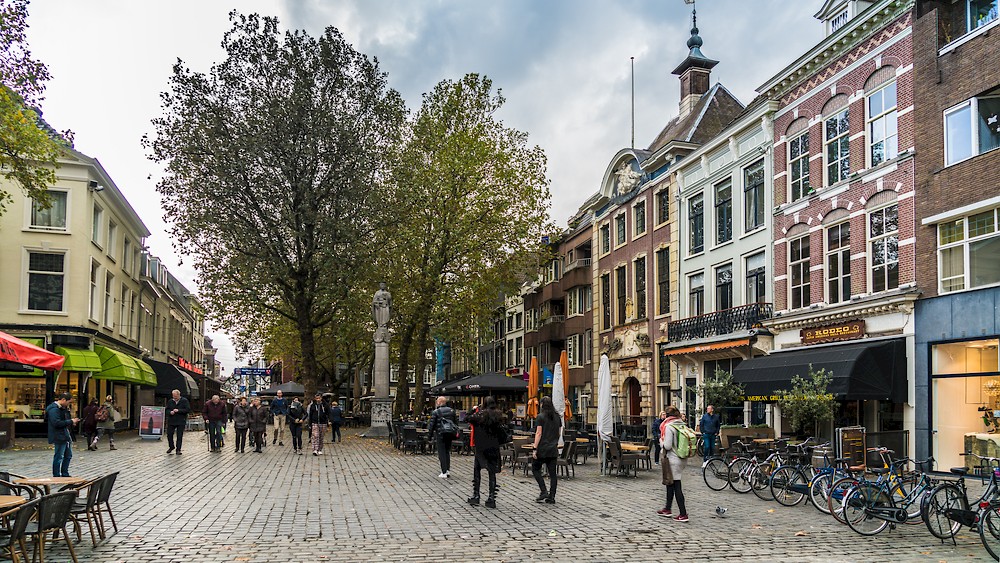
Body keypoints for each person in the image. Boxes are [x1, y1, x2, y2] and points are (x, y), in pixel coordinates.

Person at [466, 396, 507, 508]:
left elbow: (467, 418)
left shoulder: (480, 415)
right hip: (493, 446)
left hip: (481, 446)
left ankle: (476, 495)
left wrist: (473, 409)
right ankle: (491, 497)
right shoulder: (498, 415)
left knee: (477, 470)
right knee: (492, 472)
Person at [658, 406, 689, 522]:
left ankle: (683, 513)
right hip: (682, 457)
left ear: (667, 415)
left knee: (676, 485)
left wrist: (661, 442)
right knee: (670, 483)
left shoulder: (669, 426)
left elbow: (667, 445)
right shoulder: (682, 424)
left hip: (673, 459)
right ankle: (667, 508)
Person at [531, 396, 562, 504]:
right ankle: (552, 496)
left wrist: (535, 448)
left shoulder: (540, 417)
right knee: (553, 474)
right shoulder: (558, 417)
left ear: (542, 405)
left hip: (542, 448)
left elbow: (538, 433)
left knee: (535, 469)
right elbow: (559, 432)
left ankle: (543, 490)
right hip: (553, 448)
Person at [46, 393, 78, 477]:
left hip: (65, 434)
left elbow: (64, 420)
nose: (69, 404)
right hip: (59, 435)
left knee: (68, 455)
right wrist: (70, 421)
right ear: (63, 400)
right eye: (68, 402)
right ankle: (56, 475)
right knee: (59, 456)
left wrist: (71, 422)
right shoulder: (54, 409)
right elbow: (56, 423)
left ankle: (65, 473)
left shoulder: (62, 409)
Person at [428, 396, 458, 478]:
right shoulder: (452, 411)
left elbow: (431, 425)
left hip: (440, 434)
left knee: (441, 453)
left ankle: (443, 471)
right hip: (449, 434)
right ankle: (447, 470)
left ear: (439, 402)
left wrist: (429, 436)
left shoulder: (436, 412)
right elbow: (455, 423)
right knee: (447, 452)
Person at [165, 389, 191, 455]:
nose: (174, 398)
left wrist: (178, 410)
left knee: (179, 436)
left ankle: (178, 449)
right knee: (169, 434)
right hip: (171, 420)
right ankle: (171, 446)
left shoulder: (184, 401)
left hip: (181, 420)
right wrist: (170, 412)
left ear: (179, 395)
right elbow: (167, 410)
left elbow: (187, 409)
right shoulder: (170, 401)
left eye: (176, 397)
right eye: (173, 396)